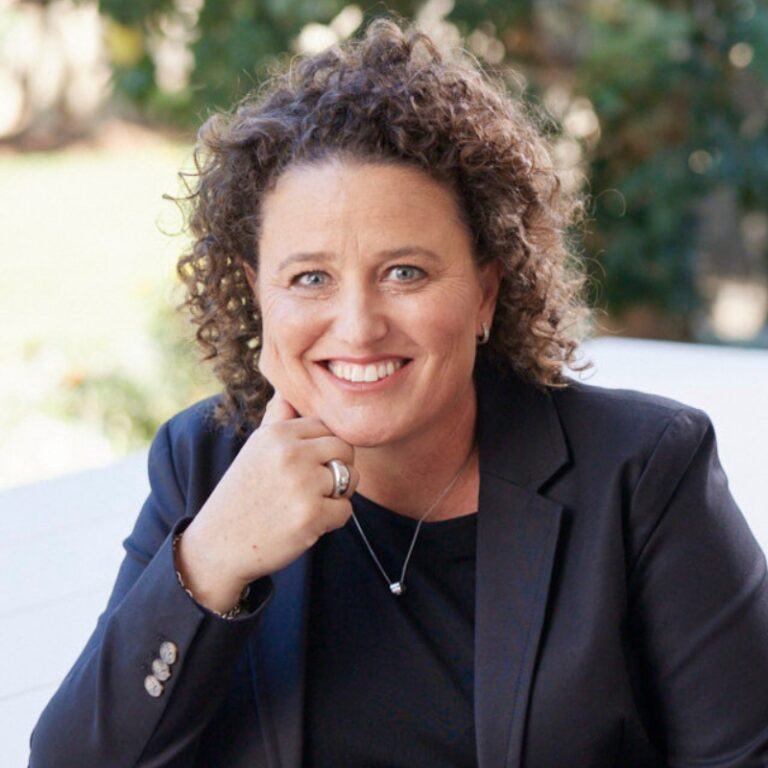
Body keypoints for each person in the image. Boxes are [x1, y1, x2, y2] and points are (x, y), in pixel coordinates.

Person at [29, 18, 768, 768]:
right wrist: (212, 561)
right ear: (258, 296)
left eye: (404, 273)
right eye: (309, 278)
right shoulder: (207, 462)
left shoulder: (642, 474)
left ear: (486, 292)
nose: (358, 327)